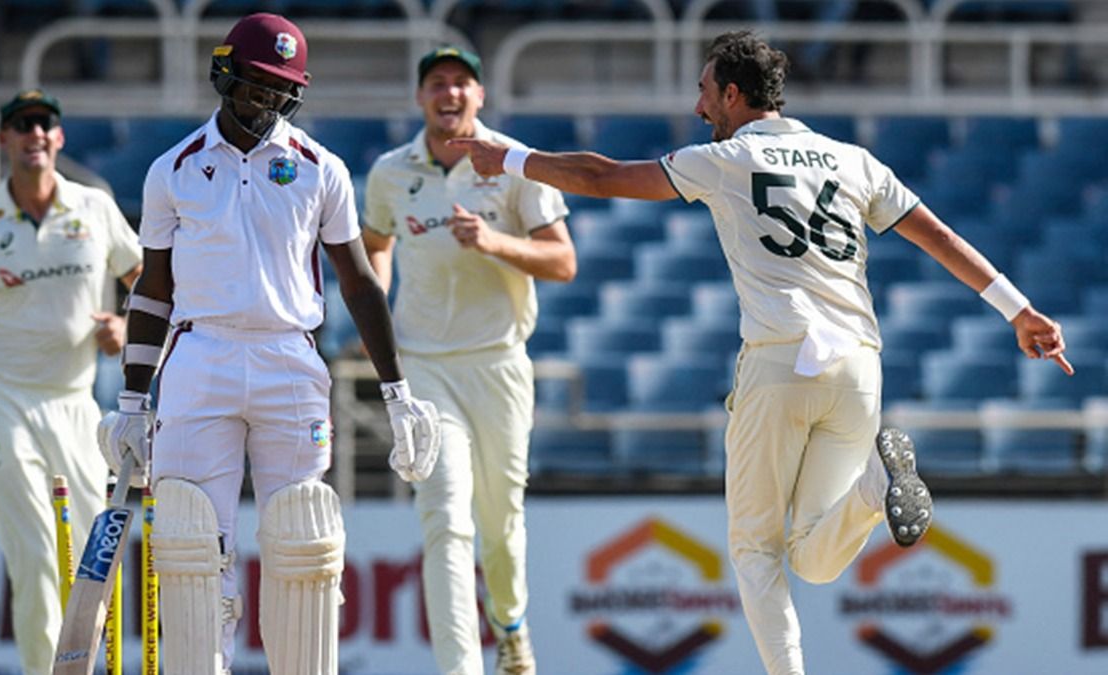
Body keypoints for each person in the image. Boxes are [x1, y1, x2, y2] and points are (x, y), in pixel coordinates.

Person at [452, 31, 1073, 675]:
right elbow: (938, 236)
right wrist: (1018, 309)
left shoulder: (727, 159)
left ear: (732, 93)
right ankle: (875, 487)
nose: (698, 108)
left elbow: (601, 176)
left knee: (755, 549)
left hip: (781, 358)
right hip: (859, 367)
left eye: (703, 91)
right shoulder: (853, 160)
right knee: (813, 559)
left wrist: (512, 159)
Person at [95, 14, 441, 674]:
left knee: (302, 540)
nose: (266, 99)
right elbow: (153, 290)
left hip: (291, 357)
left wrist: (398, 394)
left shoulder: (319, 167)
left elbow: (359, 281)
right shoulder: (174, 169)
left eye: (281, 88)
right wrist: (133, 401)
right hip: (200, 359)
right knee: (191, 544)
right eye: (256, 83)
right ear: (225, 75)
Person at [362, 46, 576, 675]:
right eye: (437, 83)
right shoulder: (390, 172)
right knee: (444, 516)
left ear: (480, 96)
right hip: (425, 365)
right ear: (420, 97)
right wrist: (377, 308)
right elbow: (376, 244)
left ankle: (510, 625)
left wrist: (493, 242)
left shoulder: (513, 162)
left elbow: (563, 261)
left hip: (498, 361)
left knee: (500, 523)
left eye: (462, 83)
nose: (449, 93)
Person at [0, 89, 142, 675]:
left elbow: (147, 282)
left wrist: (124, 326)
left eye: (44, 123)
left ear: (59, 137)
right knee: (37, 555)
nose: (34, 133)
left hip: (76, 406)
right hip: (4, 402)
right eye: (22, 124)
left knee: (93, 561)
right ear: (4, 139)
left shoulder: (95, 208)